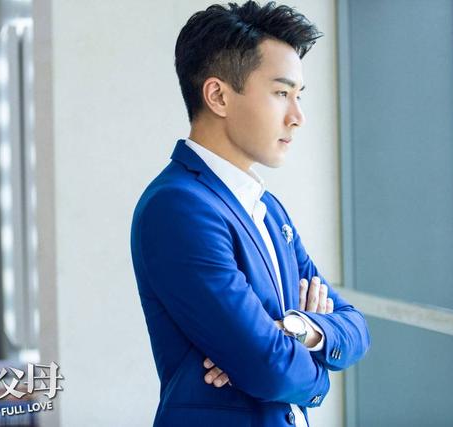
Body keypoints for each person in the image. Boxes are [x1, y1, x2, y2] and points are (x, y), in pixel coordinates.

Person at [130, 2, 370, 426]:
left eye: (299, 96)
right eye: (281, 93)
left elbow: (355, 328)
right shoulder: (178, 207)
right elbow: (269, 369)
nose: (297, 117)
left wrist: (297, 328)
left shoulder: (267, 207)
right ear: (218, 96)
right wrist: (314, 374)